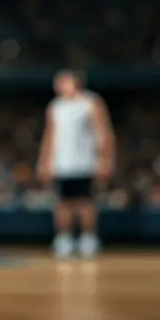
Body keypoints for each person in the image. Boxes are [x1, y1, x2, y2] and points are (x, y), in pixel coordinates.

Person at [37, 70, 115, 260]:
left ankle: (88, 237)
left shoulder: (90, 102)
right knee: (63, 203)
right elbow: (49, 136)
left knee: (85, 202)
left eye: (64, 81)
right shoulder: (55, 106)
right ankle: (64, 238)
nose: (59, 85)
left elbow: (103, 132)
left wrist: (105, 159)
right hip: (62, 163)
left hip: (85, 162)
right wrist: (44, 161)